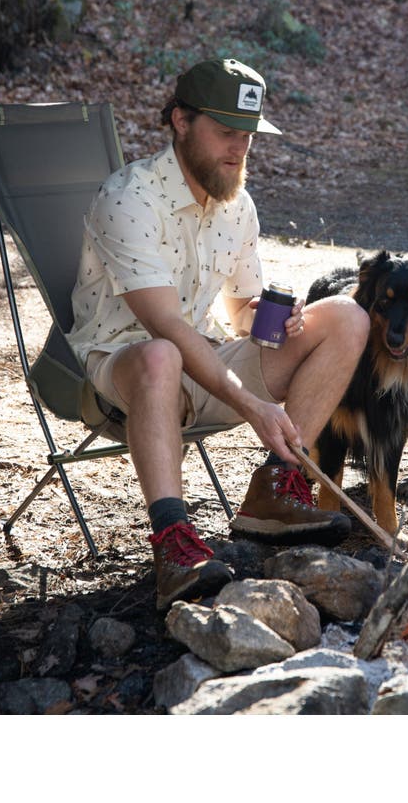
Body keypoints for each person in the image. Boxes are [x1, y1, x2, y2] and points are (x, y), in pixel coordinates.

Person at [67, 58, 370, 610]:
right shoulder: (128, 198)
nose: (239, 150)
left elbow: (239, 317)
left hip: (205, 362)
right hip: (122, 368)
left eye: (248, 137)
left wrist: (278, 320)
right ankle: (173, 545)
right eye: (226, 133)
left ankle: (277, 488)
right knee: (161, 353)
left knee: (347, 317)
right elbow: (166, 326)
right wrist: (252, 403)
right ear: (180, 121)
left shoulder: (237, 205)